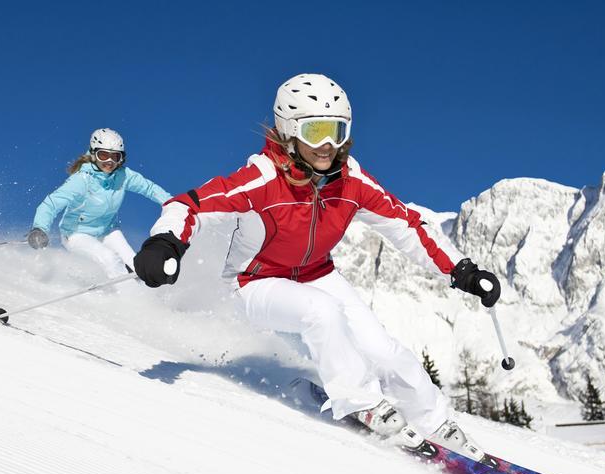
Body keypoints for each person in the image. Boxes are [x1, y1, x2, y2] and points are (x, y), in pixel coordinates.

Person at [132, 74, 501, 454]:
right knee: (321, 313)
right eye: (316, 131)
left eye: (337, 131)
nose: (328, 145)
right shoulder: (262, 178)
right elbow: (189, 206)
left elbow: (406, 224)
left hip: (317, 274)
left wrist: (462, 271)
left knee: (383, 349)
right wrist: (165, 243)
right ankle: (363, 403)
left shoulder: (350, 180)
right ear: (289, 132)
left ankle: (435, 421)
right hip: (253, 283)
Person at [28, 128, 172, 277]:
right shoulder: (82, 180)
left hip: (108, 230)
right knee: (109, 259)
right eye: (103, 155)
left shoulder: (123, 176)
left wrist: (173, 203)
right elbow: (51, 204)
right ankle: (129, 296)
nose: (109, 162)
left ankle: (145, 293)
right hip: (76, 234)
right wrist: (39, 228)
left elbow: (149, 188)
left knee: (136, 264)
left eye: (115, 157)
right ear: (93, 154)